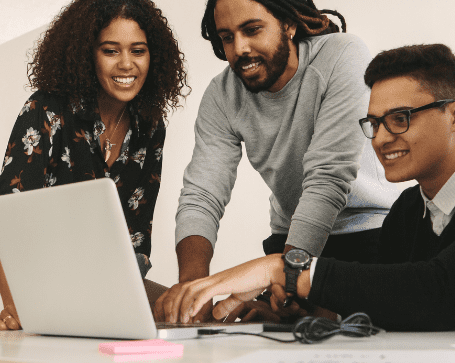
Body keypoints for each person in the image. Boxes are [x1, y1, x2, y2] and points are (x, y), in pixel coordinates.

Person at [154, 0, 399, 323]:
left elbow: (328, 177)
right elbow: (202, 194)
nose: (238, 49)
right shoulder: (222, 95)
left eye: (252, 30)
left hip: (368, 235)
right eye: (227, 37)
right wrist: (193, 288)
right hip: (288, 239)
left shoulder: (342, 54)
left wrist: (289, 276)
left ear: (287, 23)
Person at [167, 43, 455, 332]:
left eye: (400, 119)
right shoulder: (408, 210)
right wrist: (293, 312)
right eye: (374, 123)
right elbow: (391, 305)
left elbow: (438, 289)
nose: (380, 139)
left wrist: (283, 269)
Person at [0, 0, 189, 330]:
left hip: (107, 288)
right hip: (39, 288)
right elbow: (2, 222)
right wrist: (14, 304)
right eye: (111, 51)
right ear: (86, 55)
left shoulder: (150, 126)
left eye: (138, 51)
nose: (127, 64)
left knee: (191, 311)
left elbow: (134, 239)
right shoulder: (46, 109)